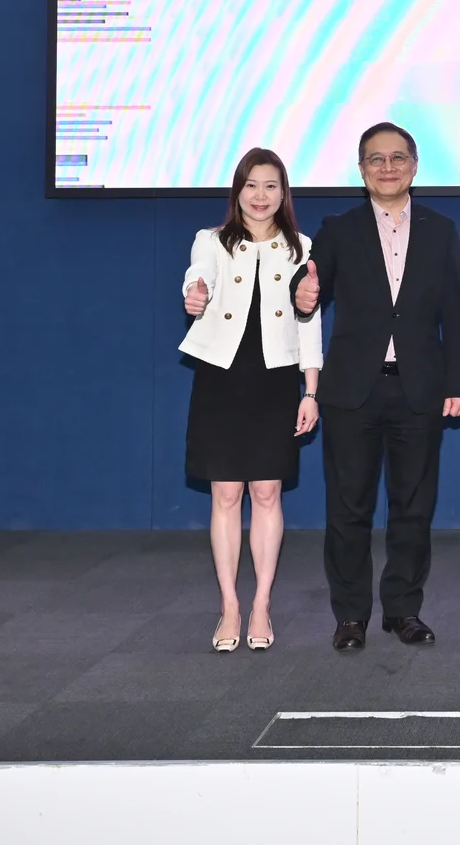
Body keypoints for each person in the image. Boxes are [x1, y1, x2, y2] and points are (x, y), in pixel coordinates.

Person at [289, 123, 460, 652]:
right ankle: (350, 616)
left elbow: (454, 316)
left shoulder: (440, 230)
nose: (387, 168)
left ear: (415, 166)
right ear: (361, 169)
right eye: (376, 159)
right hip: (351, 391)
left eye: (398, 158)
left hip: (420, 389)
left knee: (413, 507)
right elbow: (305, 286)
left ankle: (402, 611)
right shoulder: (339, 228)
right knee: (348, 509)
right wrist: (302, 291)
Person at [179, 147, 321, 653]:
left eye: (271, 186)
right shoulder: (211, 241)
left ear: (284, 194)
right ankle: (229, 606)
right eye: (251, 185)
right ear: (237, 190)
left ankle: (260, 603)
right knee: (225, 495)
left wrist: (311, 391)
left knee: (266, 494)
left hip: (276, 382)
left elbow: (309, 323)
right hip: (222, 380)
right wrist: (194, 292)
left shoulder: (301, 247)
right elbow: (200, 277)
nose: (260, 196)